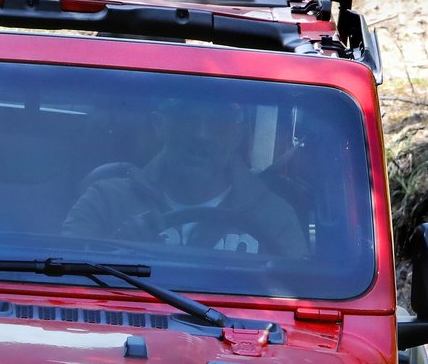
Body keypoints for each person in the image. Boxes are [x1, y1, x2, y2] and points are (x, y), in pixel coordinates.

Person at [62, 99, 307, 256]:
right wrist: (118, 248)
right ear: (160, 125)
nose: (201, 135)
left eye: (219, 121)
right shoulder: (106, 201)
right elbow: (64, 281)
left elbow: (296, 298)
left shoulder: (274, 218)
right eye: (186, 117)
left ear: (238, 135)